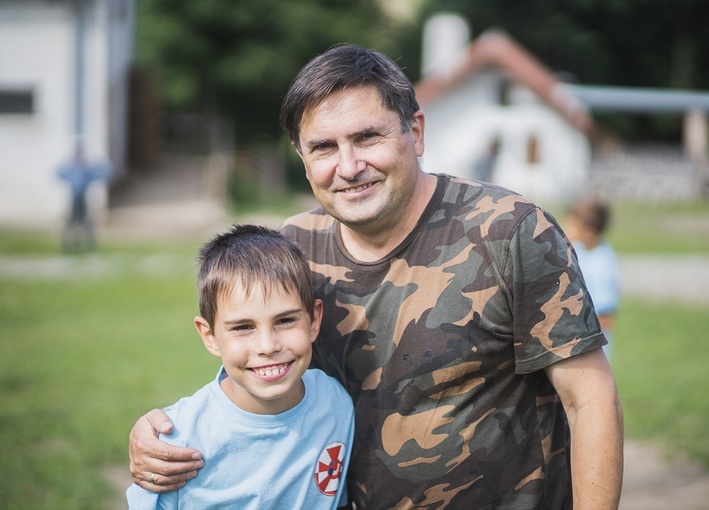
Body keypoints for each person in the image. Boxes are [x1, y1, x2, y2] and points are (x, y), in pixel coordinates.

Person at [129, 44, 623, 509]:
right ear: (303, 161)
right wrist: (163, 435)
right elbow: (259, 371)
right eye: (323, 147)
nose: (349, 166)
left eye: (367, 137)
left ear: (416, 132)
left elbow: (590, 400)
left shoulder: (510, 231)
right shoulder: (295, 248)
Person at [126, 224, 354, 509]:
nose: (267, 345)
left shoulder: (336, 403)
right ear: (210, 336)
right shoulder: (178, 441)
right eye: (243, 327)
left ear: (314, 320)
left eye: (285, 321)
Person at [563, 196, 621, 359]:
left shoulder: (602, 264)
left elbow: (605, 316)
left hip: (590, 346)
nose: (566, 228)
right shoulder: (580, 249)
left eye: (573, 225)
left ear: (589, 234)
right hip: (574, 337)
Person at [56, 140, 112, 252]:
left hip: (84, 197)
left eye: (80, 150)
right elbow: (60, 173)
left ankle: (89, 245)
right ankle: (68, 245)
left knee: (87, 222)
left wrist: (100, 167)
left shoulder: (87, 165)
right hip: (74, 197)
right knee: (71, 222)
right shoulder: (70, 165)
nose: (79, 152)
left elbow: (105, 172)